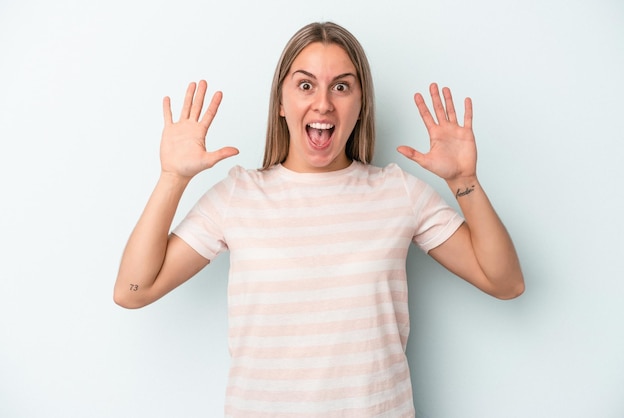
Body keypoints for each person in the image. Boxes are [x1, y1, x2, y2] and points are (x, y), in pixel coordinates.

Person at [114, 21, 524, 417]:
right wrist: (172, 179)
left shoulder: (397, 193)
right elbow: (134, 290)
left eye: (341, 86)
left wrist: (464, 181)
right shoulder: (238, 196)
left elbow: (505, 282)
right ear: (281, 101)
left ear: (361, 103)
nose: (323, 102)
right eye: (305, 85)